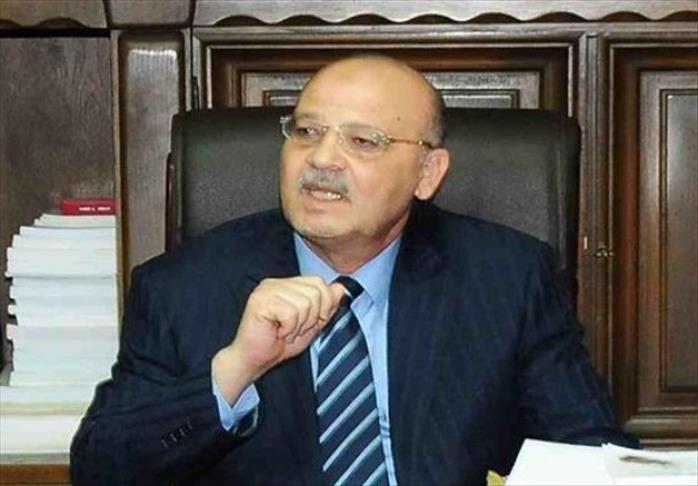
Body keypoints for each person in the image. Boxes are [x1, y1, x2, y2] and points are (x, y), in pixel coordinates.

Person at [70, 55, 636, 485]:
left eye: (364, 141)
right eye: (306, 132)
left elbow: (591, 452)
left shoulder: (508, 277)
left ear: (428, 173)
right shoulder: (180, 288)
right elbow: (100, 469)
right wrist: (233, 371)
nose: (321, 159)